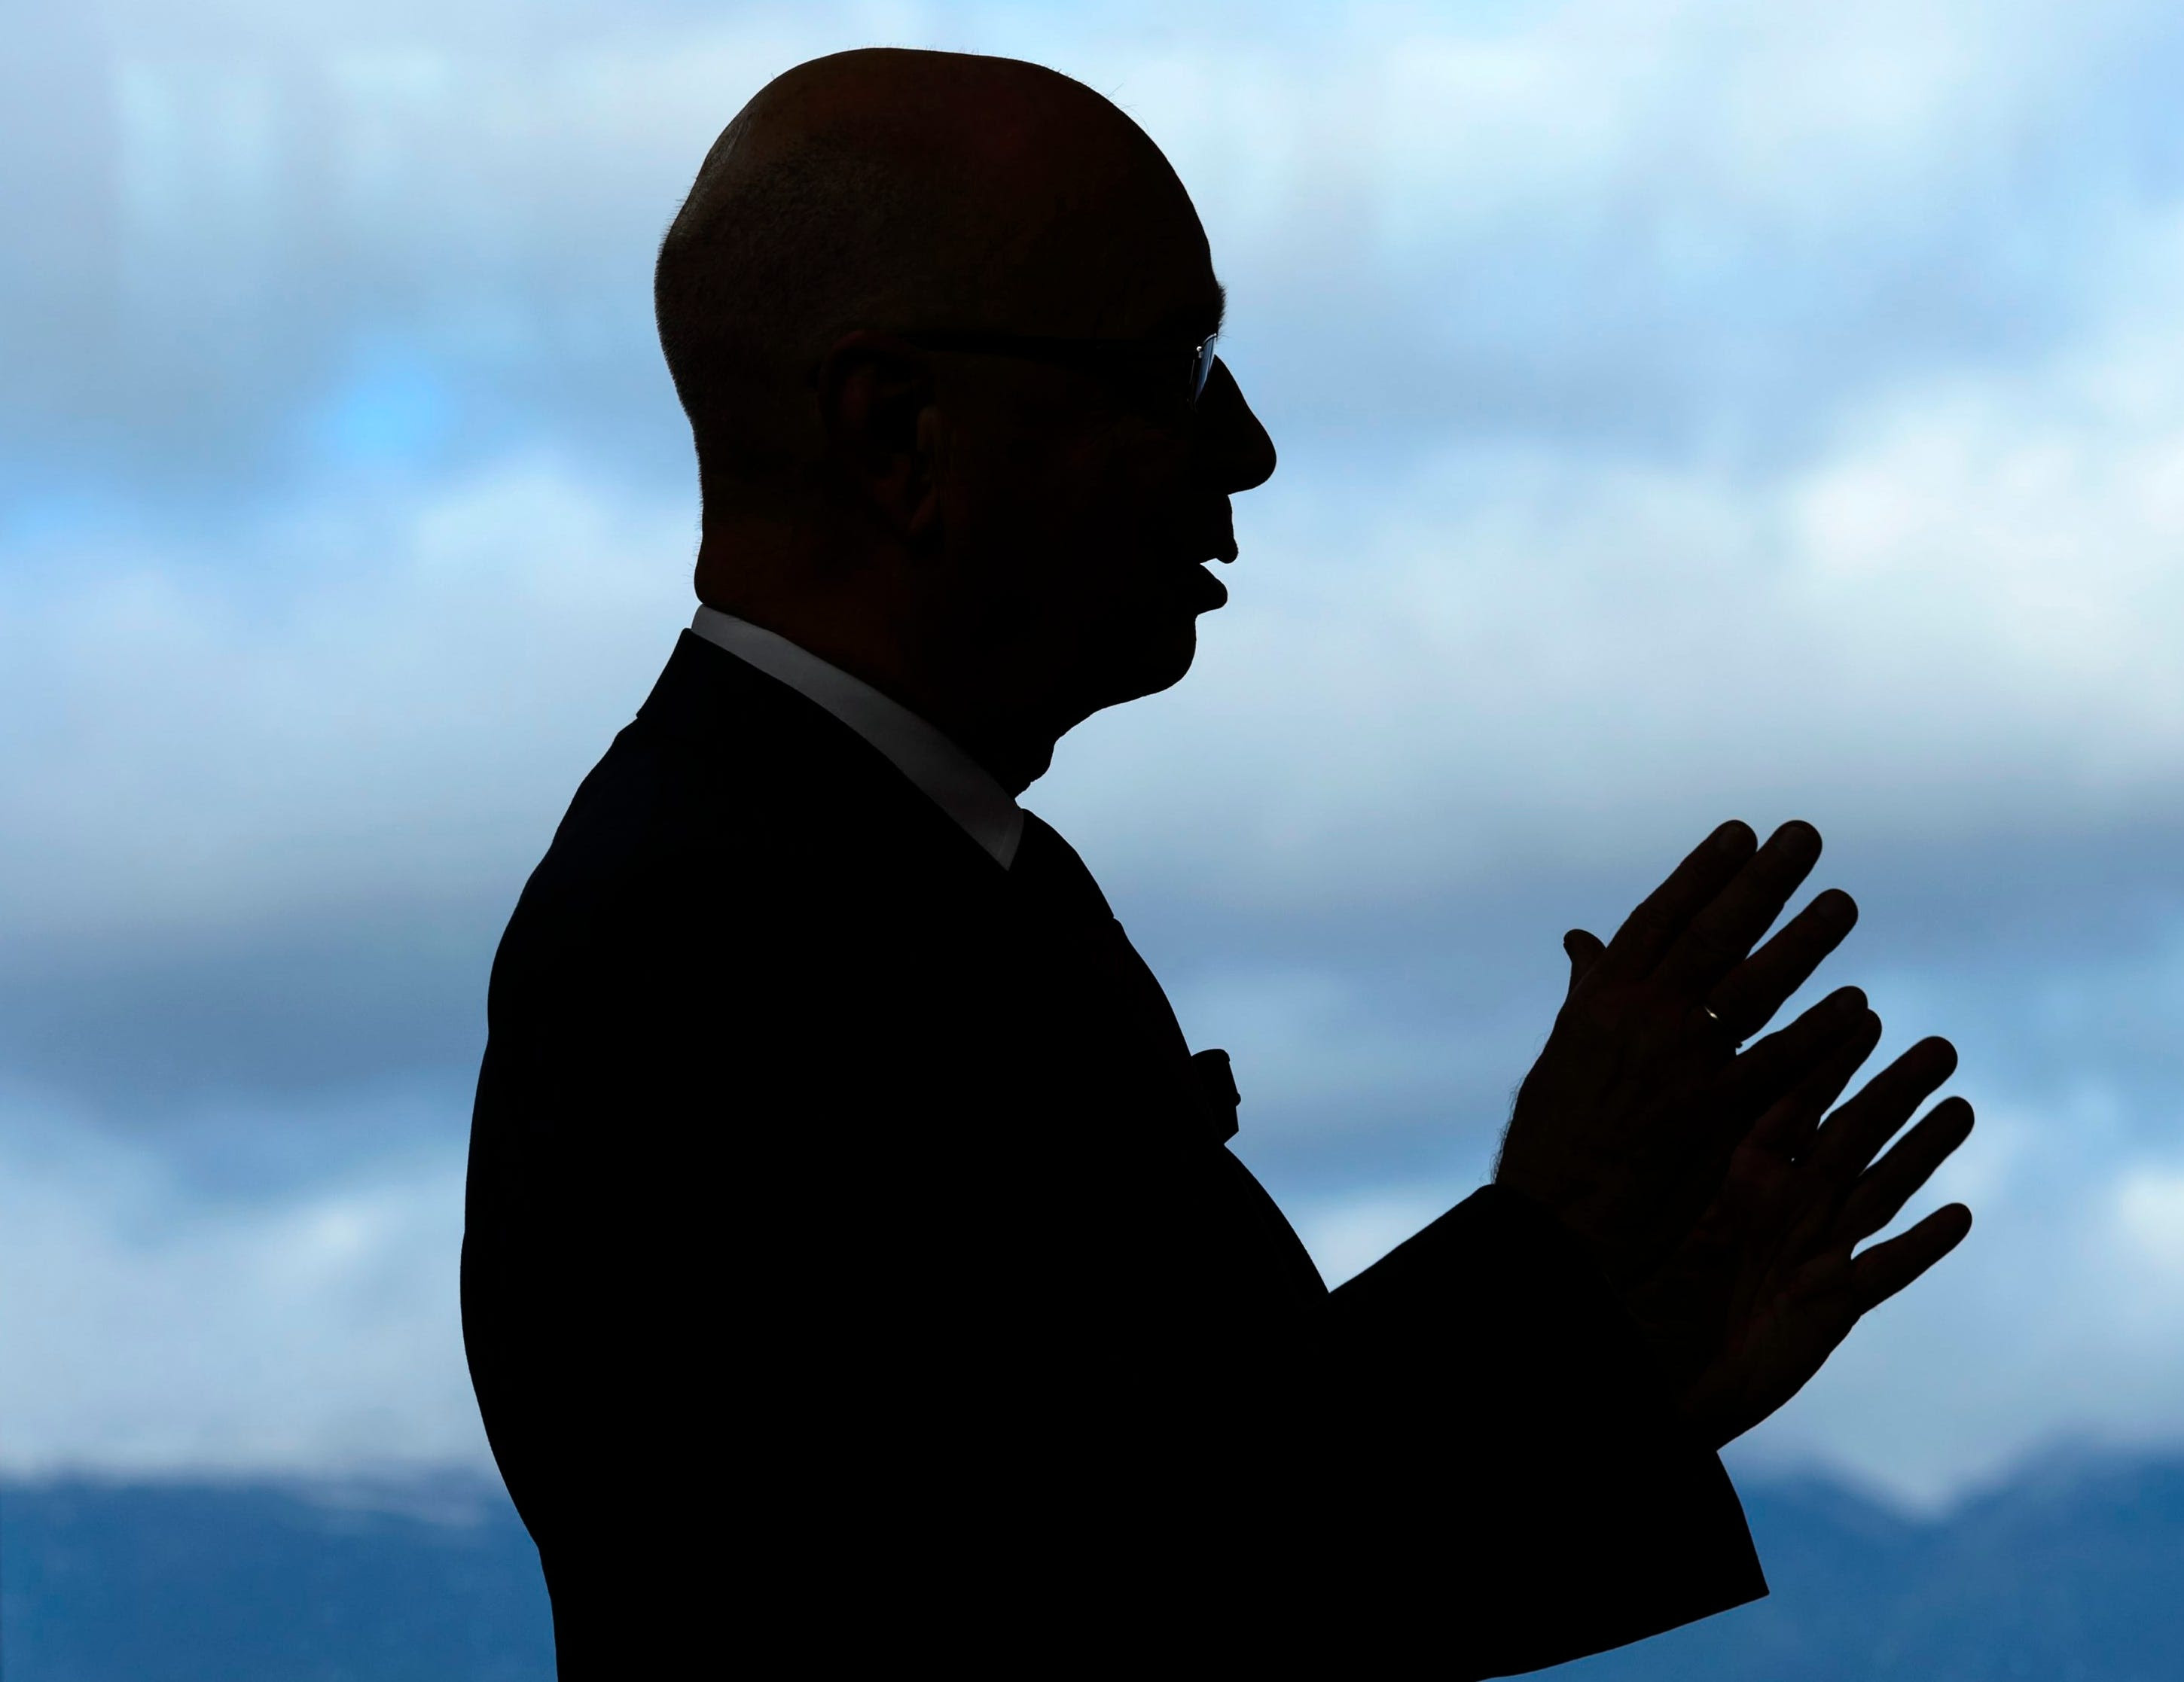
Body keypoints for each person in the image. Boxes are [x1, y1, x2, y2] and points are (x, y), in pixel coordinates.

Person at [460, 46, 1976, 1678]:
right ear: (899, 430)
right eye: (1174, 367)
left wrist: (1611, 1360)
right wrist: (1545, 1272)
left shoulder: (907, 880)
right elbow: (1018, 1620)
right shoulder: (704, 950)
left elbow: (1140, 1536)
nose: (1246, 448)